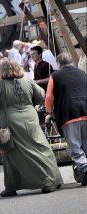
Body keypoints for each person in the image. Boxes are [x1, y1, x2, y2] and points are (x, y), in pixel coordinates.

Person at [0, 60, 63, 197]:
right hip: (30, 118)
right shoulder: (27, 81)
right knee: (40, 147)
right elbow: (41, 95)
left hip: (11, 122)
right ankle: (52, 180)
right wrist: (29, 103)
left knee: (11, 153)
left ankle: (11, 187)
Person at [45, 53, 87, 186]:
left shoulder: (55, 76)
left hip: (68, 114)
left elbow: (49, 98)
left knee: (75, 145)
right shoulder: (82, 73)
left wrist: (49, 112)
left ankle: (85, 170)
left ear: (58, 64)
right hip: (85, 111)